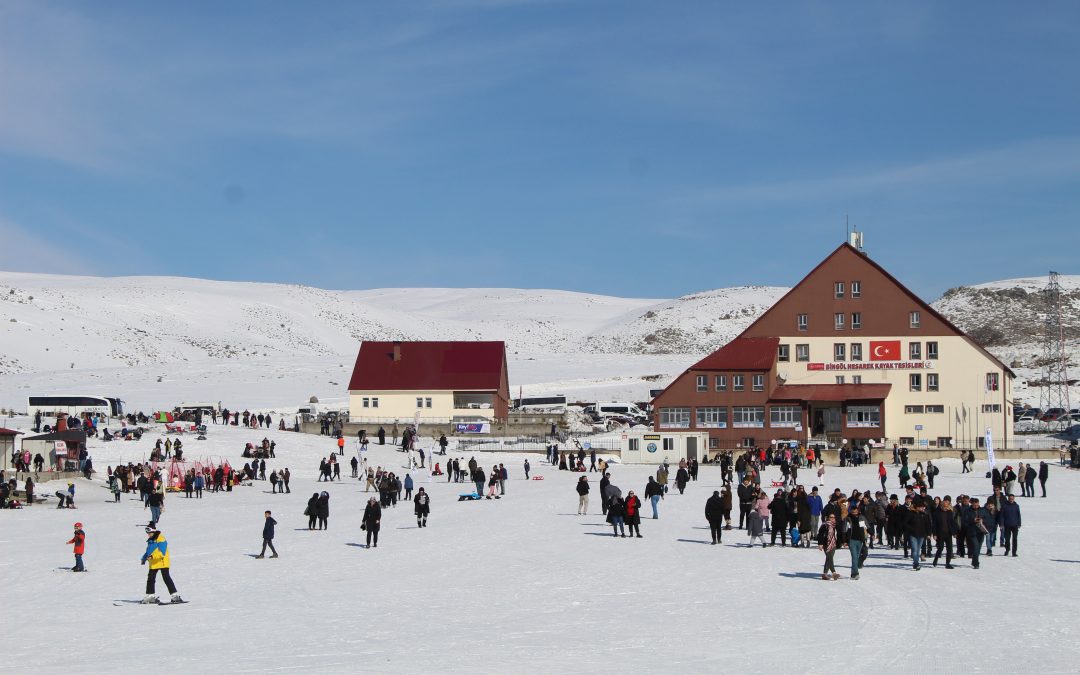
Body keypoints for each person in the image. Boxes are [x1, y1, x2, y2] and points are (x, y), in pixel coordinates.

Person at [140, 527, 182, 604]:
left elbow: (162, 552)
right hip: (154, 562)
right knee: (150, 579)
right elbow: (149, 551)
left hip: (162, 562)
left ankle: (175, 596)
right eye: (147, 533)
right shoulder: (150, 540)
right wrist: (144, 558)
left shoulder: (161, 539)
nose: (148, 535)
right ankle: (150, 596)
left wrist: (152, 556)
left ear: (153, 531)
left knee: (166, 578)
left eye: (149, 533)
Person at [931, 497, 957, 568]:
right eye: (944, 506)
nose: (945, 507)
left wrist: (954, 533)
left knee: (949, 549)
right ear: (941, 505)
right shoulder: (937, 513)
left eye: (947, 506)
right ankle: (935, 560)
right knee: (940, 548)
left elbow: (952, 523)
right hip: (940, 533)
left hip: (948, 533)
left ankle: (947, 564)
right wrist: (934, 534)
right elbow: (934, 524)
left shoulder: (950, 512)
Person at [906, 500, 931, 571]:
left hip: (922, 535)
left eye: (923, 507)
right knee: (914, 549)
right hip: (913, 534)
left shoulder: (925, 515)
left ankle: (915, 562)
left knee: (917, 550)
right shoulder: (911, 514)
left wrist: (929, 533)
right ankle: (916, 563)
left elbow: (928, 525)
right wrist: (911, 529)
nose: (922, 508)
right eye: (921, 507)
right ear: (917, 507)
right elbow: (905, 523)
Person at [817, 513, 840, 580]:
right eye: (831, 517)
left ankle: (825, 574)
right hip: (826, 544)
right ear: (828, 518)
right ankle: (834, 573)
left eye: (834, 517)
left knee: (829, 558)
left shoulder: (835, 525)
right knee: (830, 558)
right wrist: (820, 544)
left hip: (833, 544)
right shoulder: (824, 525)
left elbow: (837, 534)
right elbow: (820, 535)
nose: (833, 519)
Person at [847, 505, 866, 580]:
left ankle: (852, 574)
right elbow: (845, 530)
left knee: (856, 557)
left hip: (860, 540)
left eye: (855, 512)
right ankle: (855, 573)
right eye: (852, 512)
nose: (854, 513)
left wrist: (871, 533)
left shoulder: (861, 518)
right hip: (852, 540)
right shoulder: (848, 519)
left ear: (857, 511)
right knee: (854, 557)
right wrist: (845, 540)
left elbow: (865, 526)